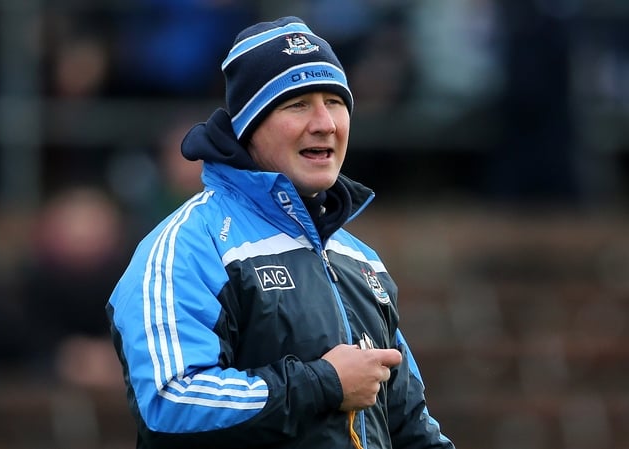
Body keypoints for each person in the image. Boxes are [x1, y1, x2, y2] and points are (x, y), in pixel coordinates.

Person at [106, 16, 455, 449]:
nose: (325, 123)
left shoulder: (361, 260)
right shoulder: (187, 245)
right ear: (250, 125)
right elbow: (169, 403)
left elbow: (410, 426)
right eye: (298, 104)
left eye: (335, 101)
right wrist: (323, 383)